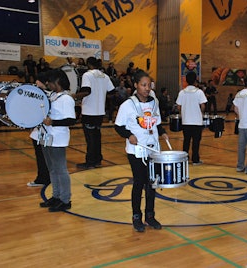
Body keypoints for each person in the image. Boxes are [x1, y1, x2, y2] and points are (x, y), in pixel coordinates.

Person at [114, 70, 169, 232]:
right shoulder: (128, 105)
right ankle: (136, 216)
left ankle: (150, 215)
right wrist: (129, 135)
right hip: (136, 151)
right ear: (136, 85)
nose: (146, 88)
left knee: (151, 184)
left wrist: (163, 131)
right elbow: (118, 126)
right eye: (143, 85)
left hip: (152, 149)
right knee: (139, 183)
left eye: (149, 85)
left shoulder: (154, 102)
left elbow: (156, 122)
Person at [39, 69, 76, 211]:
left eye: (51, 81)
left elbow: (71, 120)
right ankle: (56, 196)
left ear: (58, 81)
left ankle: (65, 199)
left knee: (60, 169)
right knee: (52, 169)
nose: (48, 84)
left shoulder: (66, 99)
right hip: (47, 137)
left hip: (58, 138)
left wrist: (52, 122)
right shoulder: (54, 95)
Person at [74, 57, 115, 169]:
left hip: (89, 111)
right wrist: (101, 96)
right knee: (96, 136)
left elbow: (87, 91)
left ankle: (90, 161)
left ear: (88, 64)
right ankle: (97, 159)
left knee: (90, 138)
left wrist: (73, 96)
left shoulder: (87, 75)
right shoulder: (105, 76)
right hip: (100, 112)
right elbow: (112, 93)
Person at [176, 71, 207, 165]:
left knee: (186, 141)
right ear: (195, 80)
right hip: (197, 121)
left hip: (186, 121)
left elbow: (178, 107)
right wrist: (200, 112)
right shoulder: (199, 92)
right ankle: (195, 160)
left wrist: (184, 113)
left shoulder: (182, 92)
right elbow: (203, 105)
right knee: (196, 142)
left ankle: (184, 158)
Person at [27, 71, 51, 187]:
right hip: (41, 132)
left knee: (42, 156)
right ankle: (45, 177)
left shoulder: (44, 95)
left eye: (38, 80)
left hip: (43, 132)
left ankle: (43, 178)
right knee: (43, 156)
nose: (36, 82)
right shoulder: (50, 94)